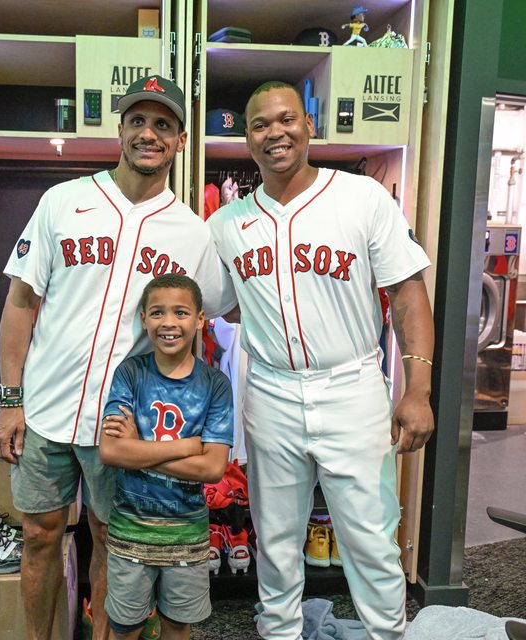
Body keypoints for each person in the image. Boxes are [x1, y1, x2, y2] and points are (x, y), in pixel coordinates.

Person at [0, 75, 236, 640]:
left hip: (123, 422)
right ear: (121, 130)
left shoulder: (193, 233)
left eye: (163, 124)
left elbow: (217, 312)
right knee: (40, 536)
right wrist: (10, 400)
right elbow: (20, 303)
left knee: (111, 541)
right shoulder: (63, 202)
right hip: (46, 409)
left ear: (179, 141)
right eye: (138, 121)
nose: (149, 133)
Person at [207, 80, 435, 640]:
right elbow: (222, 305)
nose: (275, 133)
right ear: (247, 141)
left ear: (309, 125)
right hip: (271, 390)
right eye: (260, 125)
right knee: (276, 538)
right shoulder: (225, 223)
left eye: (287, 119)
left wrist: (417, 389)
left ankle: (387, 634)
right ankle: (279, 632)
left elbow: (408, 292)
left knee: (370, 537)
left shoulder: (361, 197)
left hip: (351, 385)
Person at [99, 274, 234, 640]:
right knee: (125, 627)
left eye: (181, 312)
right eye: (157, 312)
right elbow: (111, 450)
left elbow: (212, 467)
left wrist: (138, 449)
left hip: (187, 537)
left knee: (177, 626)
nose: (169, 322)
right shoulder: (130, 374)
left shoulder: (215, 385)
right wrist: (186, 446)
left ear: (200, 319)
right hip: (130, 533)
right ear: (144, 319)